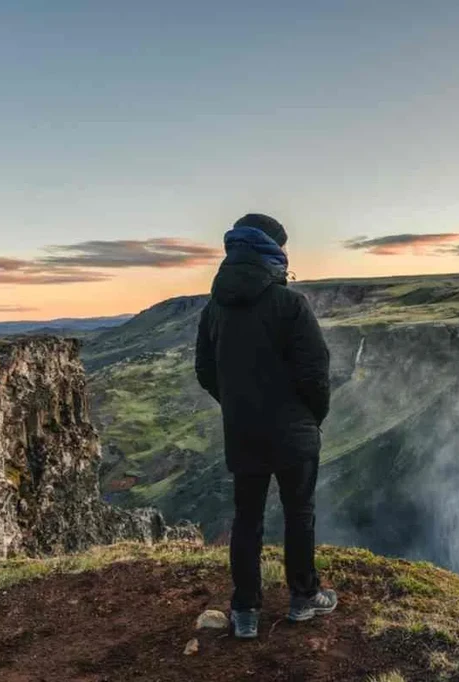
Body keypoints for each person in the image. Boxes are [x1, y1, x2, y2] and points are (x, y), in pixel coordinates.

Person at [195, 213, 336, 640]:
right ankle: (302, 599)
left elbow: (205, 370)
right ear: (271, 250)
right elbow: (316, 372)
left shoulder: (214, 308)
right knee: (299, 514)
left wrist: (237, 405)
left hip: (243, 431)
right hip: (293, 432)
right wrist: (312, 416)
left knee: (247, 519)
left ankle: (245, 612)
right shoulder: (290, 305)